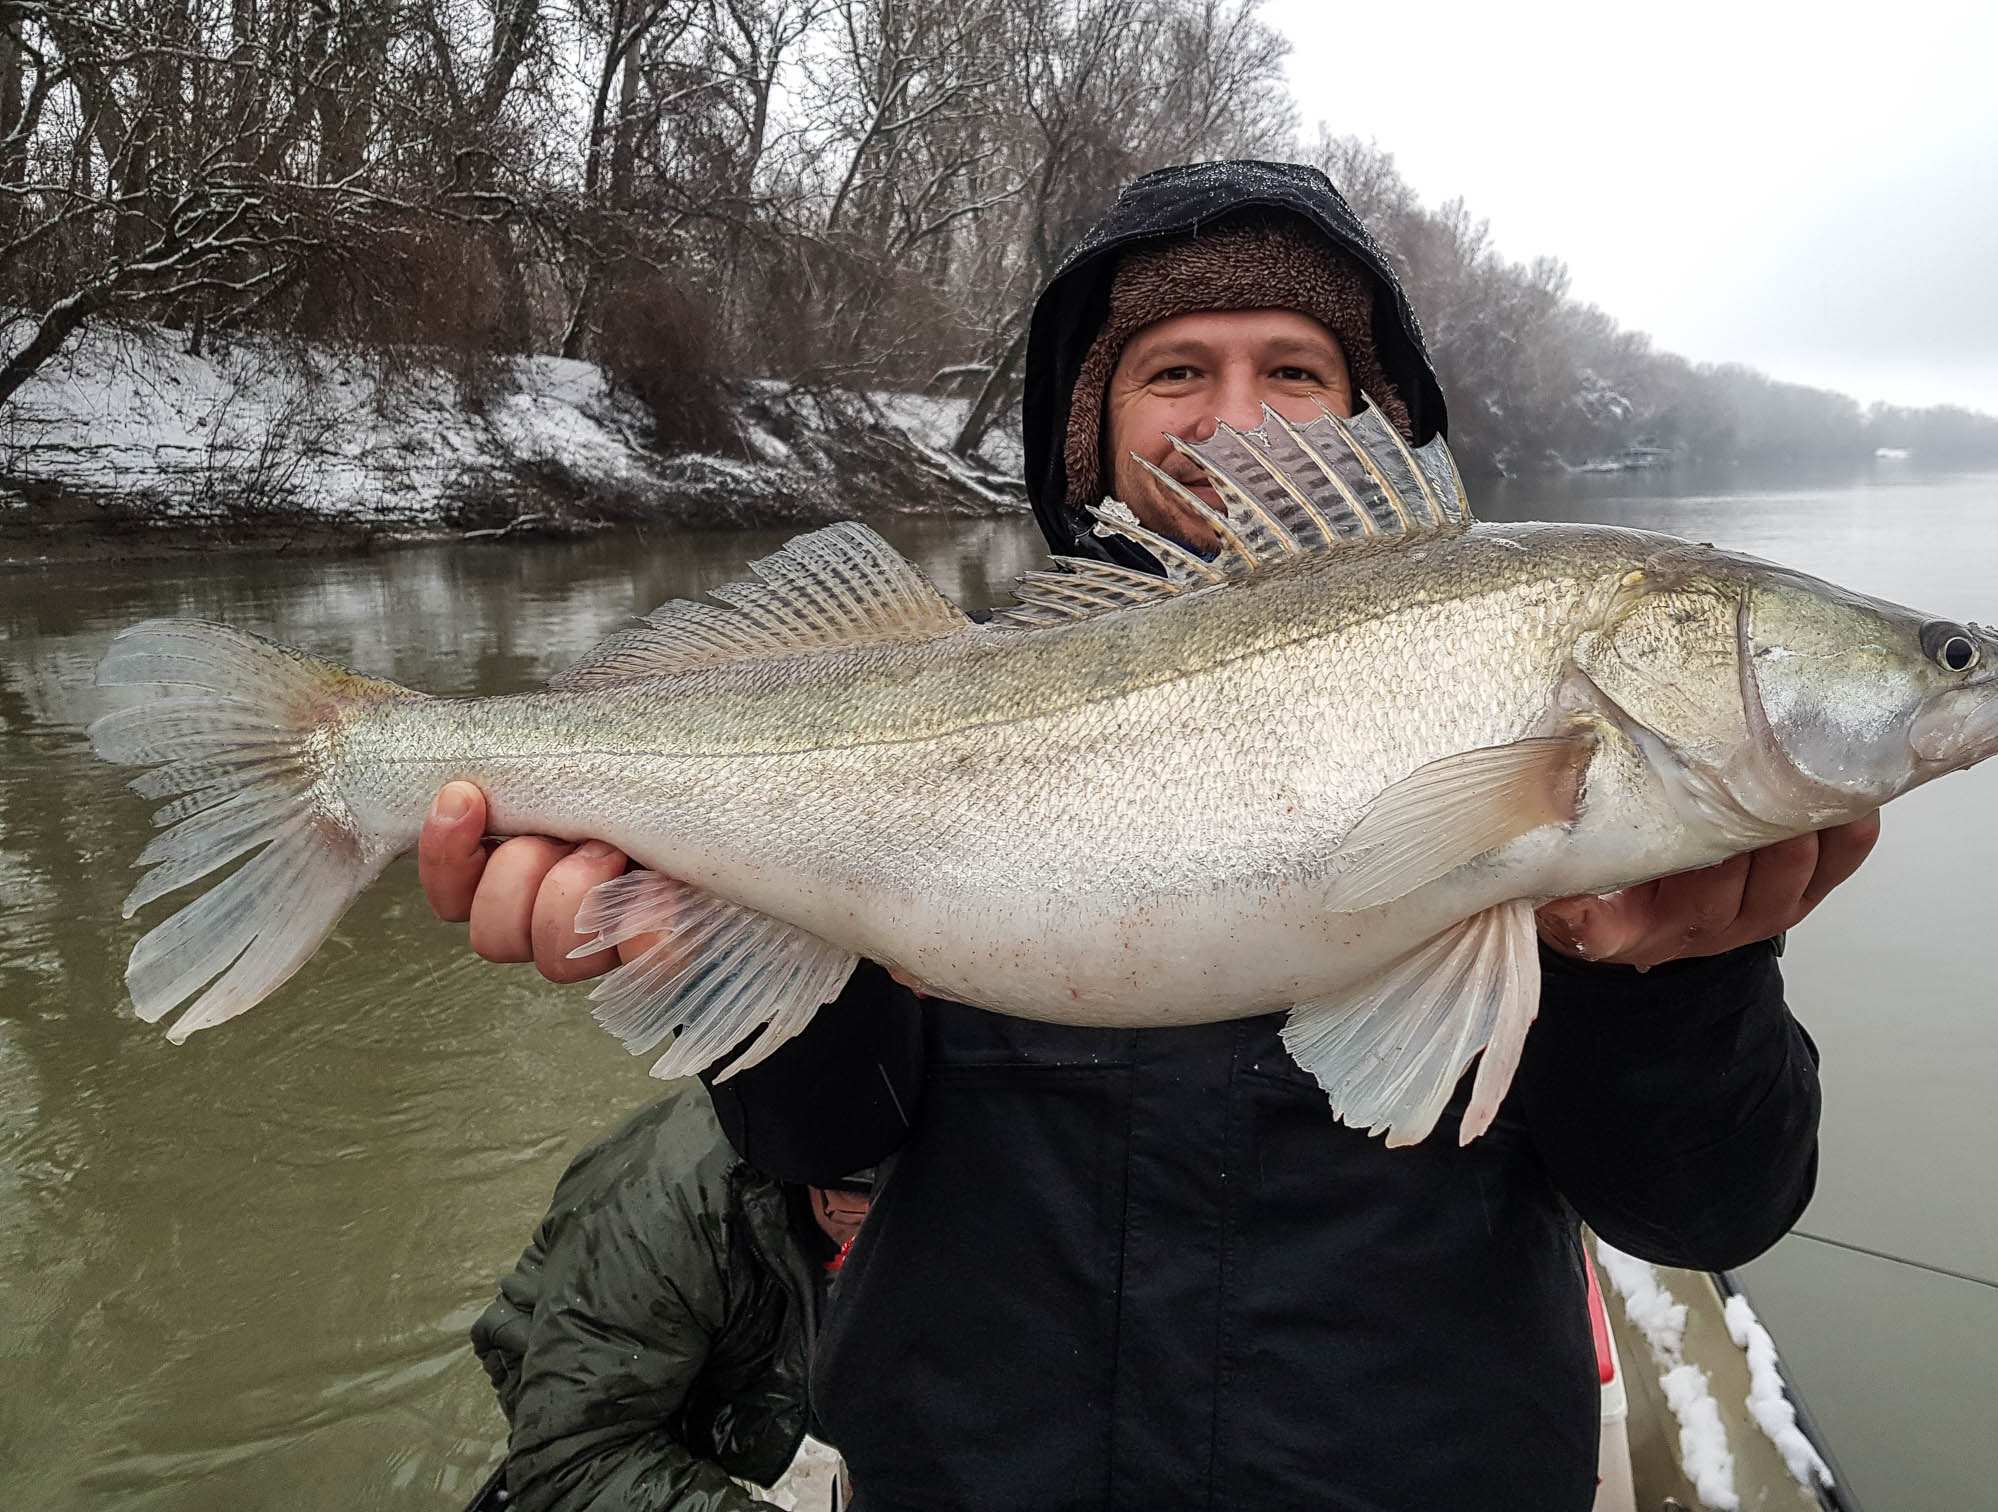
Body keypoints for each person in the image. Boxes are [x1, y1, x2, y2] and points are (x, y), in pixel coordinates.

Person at [422, 160, 1878, 1509]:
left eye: (1294, 372)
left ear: (1374, 433)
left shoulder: (1570, 754)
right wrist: (701, 954)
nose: (1234, 418)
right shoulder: (931, 700)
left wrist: (1678, 972)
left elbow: (1701, 1210)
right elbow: (825, 1137)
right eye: (1176, 369)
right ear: (1090, 434)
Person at [467, 1082, 873, 1511]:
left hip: (747, 1328)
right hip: (592, 1406)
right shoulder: (650, 1221)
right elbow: (569, 1471)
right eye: (863, 1201)